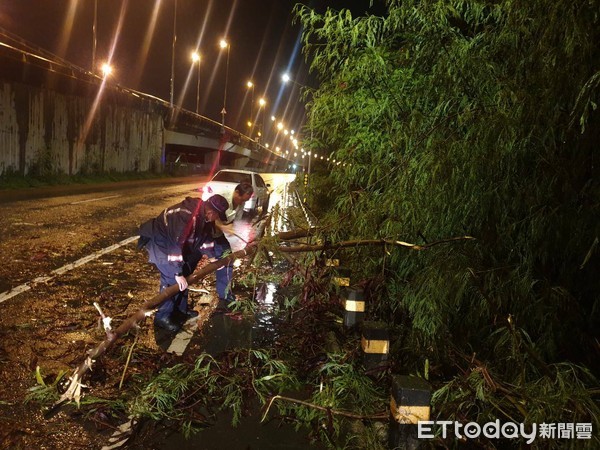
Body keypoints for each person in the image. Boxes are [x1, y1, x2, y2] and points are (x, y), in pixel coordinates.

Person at [138, 194, 229, 332]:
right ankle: (162, 317)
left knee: (184, 276)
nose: (217, 220)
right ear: (211, 212)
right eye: (217, 216)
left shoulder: (204, 217)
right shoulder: (186, 216)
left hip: (173, 244)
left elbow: (205, 240)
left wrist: (212, 258)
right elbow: (176, 244)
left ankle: (180, 311)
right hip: (161, 243)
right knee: (172, 280)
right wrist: (176, 272)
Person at [209, 182, 254, 309]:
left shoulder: (241, 202)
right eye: (241, 199)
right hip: (206, 232)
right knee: (189, 264)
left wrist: (233, 232)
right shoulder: (222, 199)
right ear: (236, 192)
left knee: (227, 258)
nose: (241, 203)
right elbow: (211, 217)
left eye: (244, 201)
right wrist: (223, 227)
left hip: (220, 234)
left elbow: (235, 221)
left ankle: (225, 293)